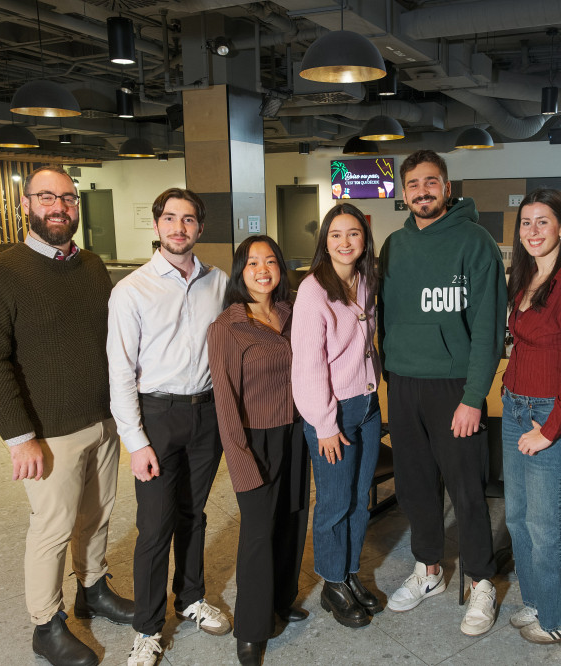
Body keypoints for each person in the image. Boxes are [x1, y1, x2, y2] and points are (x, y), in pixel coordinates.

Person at [0, 165, 133, 666]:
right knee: (53, 526)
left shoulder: (93, 266)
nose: (58, 207)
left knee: (99, 514)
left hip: (103, 420)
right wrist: (20, 437)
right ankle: (45, 623)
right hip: (48, 432)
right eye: (46, 197)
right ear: (26, 204)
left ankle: (93, 588)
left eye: (67, 198)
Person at [377, 149, 507, 636]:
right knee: (413, 487)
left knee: (467, 490)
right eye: (414, 184)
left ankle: (480, 580)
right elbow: (385, 318)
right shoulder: (393, 246)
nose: (423, 191)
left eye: (432, 182)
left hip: (455, 386)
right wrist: (392, 375)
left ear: (447, 188)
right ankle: (428, 568)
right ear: (403, 192)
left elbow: (489, 329)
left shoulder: (476, 243)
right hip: (406, 383)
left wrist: (474, 397)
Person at [107, 188, 232, 666]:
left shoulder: (218, 282)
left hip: (207, 415)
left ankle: (192, 597)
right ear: (157, 226)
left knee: (194, 514)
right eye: (170, 219)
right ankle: (146, 628)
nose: (179, 228)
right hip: (156, 416)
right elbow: (120, 371)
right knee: (155, 525)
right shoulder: (132, 290)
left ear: (200, 228)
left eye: (189, 220)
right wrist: (135, 442)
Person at [501, 189, 561, 644]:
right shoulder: (525, 280)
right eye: (526, 222)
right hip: (516, 406)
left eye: (543, 222)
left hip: (548, 417)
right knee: (519, 518)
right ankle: (540, 601)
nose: (533, 231)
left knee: (548, 523)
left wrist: (551, 430)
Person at [208, 236, 310, 666]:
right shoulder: (227, 328)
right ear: (240, 271)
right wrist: (241, 462)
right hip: (255, 439)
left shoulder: (291, 313)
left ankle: (280, 603)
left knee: (291, 519)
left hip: (295, 432)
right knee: (256, 534)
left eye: (271, 261)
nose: (263, 269)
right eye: (253, 263)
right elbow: (225, 404)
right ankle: (251, 629)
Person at [291, 203, 383, 629]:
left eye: (353, 234)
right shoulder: (314, 290)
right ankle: (331, 583)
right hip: (334, 414)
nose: (345, 242)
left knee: (360, 500)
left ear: (364, 240)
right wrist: (325, 425)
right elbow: (307, 365)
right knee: (333, 503)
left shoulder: (365, 282)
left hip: (367, 406)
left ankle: (348, 573)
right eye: (336, 235)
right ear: (324, 242)